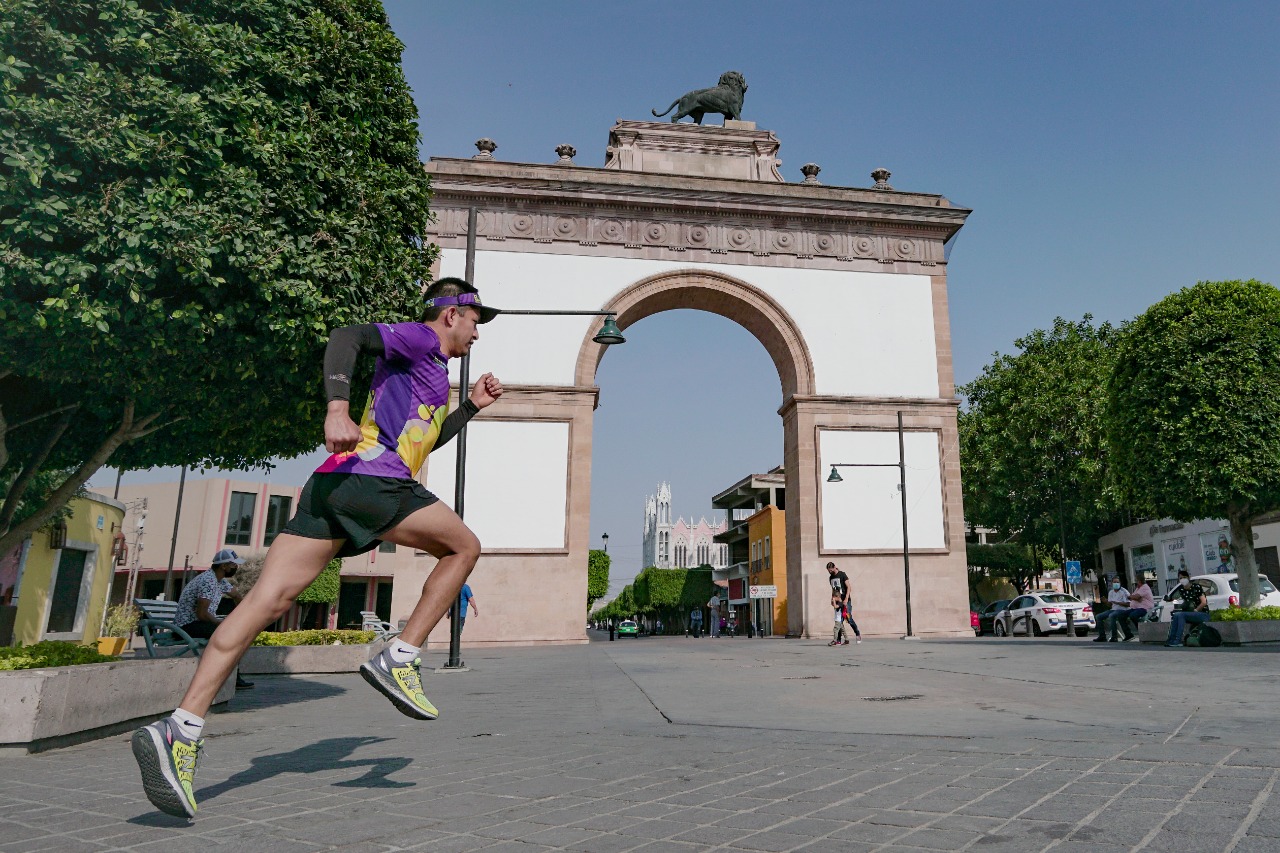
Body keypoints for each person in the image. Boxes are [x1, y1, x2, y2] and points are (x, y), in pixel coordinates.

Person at [131, 277, 504, 818]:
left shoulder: (429, 371)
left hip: (333, 484)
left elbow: (422, 437)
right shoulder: (420, 340)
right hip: (374, 480)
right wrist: (337, 407)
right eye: (475, 320)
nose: (477, 333)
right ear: (450, 314)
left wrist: (470, 408)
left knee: (265, 603)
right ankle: (400, 656)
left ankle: (180, 729)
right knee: (464, 547)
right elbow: (345, 336)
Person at [174, 550, 253, 689]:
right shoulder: (208, 581)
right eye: (233, 565)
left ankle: (232, 676)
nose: (236, 568)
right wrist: (221, 623)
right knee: (229, 634)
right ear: (223, 566)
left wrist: (244, 614)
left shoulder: (219, 580)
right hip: (187, 626)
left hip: (198, 624)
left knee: (232, 633)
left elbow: (236, 596)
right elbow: (202, 614)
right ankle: (231, 677)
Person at [1164, 569, 1210, 647]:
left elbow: (1204, 602)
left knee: (1181, 615)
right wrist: (1168, 598)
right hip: (1190, 614)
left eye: (1184, 577)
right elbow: (1174, 597)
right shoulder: (1181, 589)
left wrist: (1196, 610)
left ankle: (1178, 640)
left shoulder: (1196, 587)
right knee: (1176, 615)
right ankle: (1171, 639)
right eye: (1181, 578)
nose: (1183, 579)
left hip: (1202, 613)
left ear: (1189, 578)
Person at [1119, 576, 1154, 641]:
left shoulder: (1145, 587)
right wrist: (1133, 597)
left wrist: (1133, 597)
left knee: (1133, 615)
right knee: (1121, 615)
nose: (1136, 582)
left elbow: (1135, 597)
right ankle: (1128, 634)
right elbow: (1133, 597)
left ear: (1139, 581)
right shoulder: (1138, 588)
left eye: (1136, 580)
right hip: (1136, 608)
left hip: (1145, 608)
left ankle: (1142, 632)